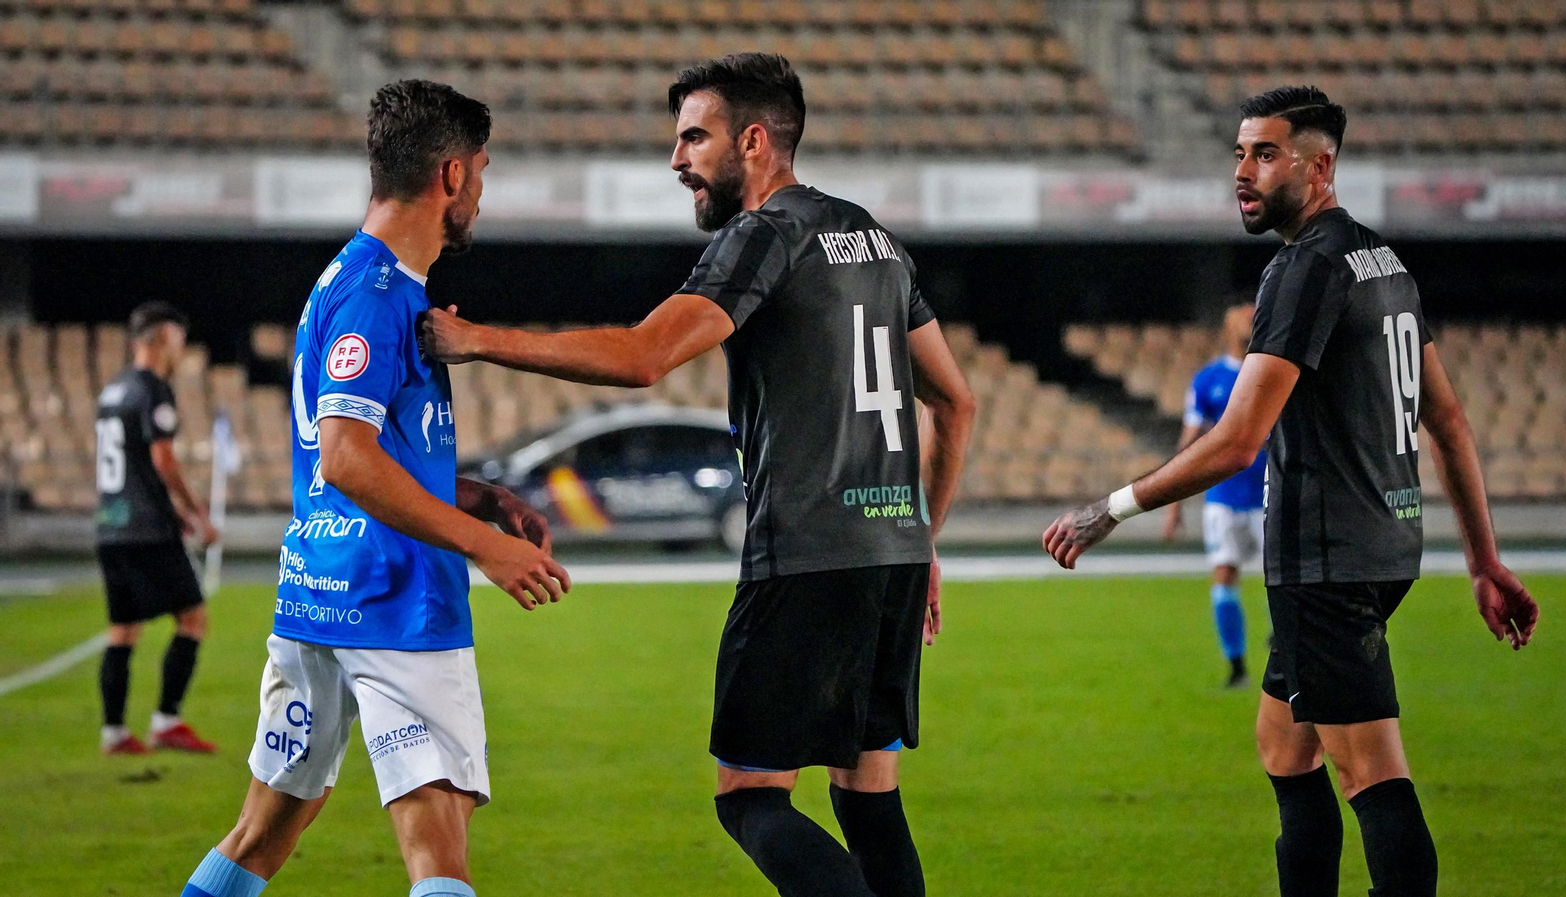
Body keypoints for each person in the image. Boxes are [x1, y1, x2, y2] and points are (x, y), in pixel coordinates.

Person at [424, 53, 976, 897]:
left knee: (750, 798)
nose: (676, 159)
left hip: (805, 556)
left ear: (753, 142)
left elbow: (646, 355)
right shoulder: (874, 236)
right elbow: (956, 401)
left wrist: (477, 340)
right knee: (867, 794)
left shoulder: (765, 234)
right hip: (890, 554)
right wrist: (919, 539)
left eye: (693, 137)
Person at [1041, 86, 1539, 897]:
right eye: (1239, 153)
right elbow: (1446, 420)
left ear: (1321, 165)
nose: (1243, 171)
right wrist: (1484, 561)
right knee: (1284, 744)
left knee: (1372, 772)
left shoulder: (1302, 269)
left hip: (1327, 562)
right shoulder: (1383, 260)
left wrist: (1111, 508)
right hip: (1380, 548)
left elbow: (1237, 439)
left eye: (1265, 155)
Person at [177, 80, 568, 897]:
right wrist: (485, 545)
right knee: (438, 841)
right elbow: (346, 459)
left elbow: (367, 447)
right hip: (399, 606)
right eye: (484, 175)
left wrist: (474, 495)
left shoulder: (347, 281)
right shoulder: (379, 294)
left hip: (318, 595)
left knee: (261, 834)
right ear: (451, 177)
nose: (483, 197)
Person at [94, 301, 220, 756]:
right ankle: (167, 720)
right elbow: (162, 460)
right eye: (179, 337)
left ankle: (114, 732)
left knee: (122, 631)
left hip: (110, 524)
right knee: (193, 618)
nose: (181, 346)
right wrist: (196, 514)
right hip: (148, 529)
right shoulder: (152, 389)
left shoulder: (113, 390)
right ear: (164, 337)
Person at [1162, 303, 1266, 688]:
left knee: (1286, 578)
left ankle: (1287, 649)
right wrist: (1174, 506)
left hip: (1271, 494)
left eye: (1254, 316)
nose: (1248, 322)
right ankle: (1236, 665)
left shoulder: (1273, 371)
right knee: (1224, 575)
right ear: (1226, 326)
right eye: (1242, 316)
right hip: (1223, 497)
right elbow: (1188, 445)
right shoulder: (1209, 380)